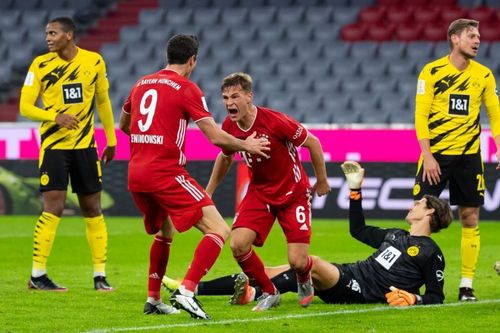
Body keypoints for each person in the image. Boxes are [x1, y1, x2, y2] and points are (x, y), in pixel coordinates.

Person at [119, 35, 270, 319]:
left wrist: (147, 140)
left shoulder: (141, 83)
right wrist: (247, 144)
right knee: (219, 230)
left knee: (165, 232)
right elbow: (215, 137)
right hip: (165, 172)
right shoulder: (187, 88)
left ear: (168, 55)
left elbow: (124, 123)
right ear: (192, 60)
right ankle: (187, 291)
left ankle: (153, 299)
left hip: (136, 172)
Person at [164, 161, 453, 306]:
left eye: (419, 203)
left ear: (429, 213)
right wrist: (355, 190)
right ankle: (192, 288)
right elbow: (359, 230)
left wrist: (414, 299)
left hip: (362, 290)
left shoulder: (430, 253)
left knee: (307, 262)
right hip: (351, 273)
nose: (413, 205)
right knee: (265, 270)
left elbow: (437, 296)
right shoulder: (396, 235)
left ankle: (259, 293)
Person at [205, 72, 331, 311]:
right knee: (238, 245)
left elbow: (313, 142)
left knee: (297, 261)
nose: (229, 103)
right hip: (260, 193)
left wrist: (322, 180)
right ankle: (270, 292)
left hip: (293, 194)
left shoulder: (276, 121)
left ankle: (304, 277)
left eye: (235, 96)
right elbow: (225, 157)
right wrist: (208, 191)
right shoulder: (229, 126)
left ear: (249, 96)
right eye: (225, 97)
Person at [19, 17, 116, 292]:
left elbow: (103, 101)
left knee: (93, 209)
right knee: (54, 207)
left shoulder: (94, 61)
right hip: (54, 148)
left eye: (53, 33)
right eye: (46, 33)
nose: (48, 38)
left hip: (86, 147)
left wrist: (110, 139)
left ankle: (100, 276)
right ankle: (38, 275)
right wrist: (54, 117)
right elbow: (26, 107)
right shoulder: (40, 65)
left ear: (69, 35)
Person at [413, 18, 500, 302]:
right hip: (435, 156)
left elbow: (495, 115)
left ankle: (466, 285)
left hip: (468, 158)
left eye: (479, 36)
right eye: (472, 36)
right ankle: (412, 279)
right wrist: (427, 156)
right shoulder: (432, 72)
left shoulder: (485, 75)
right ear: (454, 39)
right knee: (420, 217)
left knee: (470, 217)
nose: (478, 40)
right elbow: (421, 116)